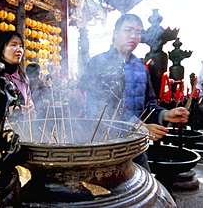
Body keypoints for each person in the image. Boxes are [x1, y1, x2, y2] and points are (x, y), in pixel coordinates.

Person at [78, 14, 189, 171]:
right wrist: (140, 127)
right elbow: (106, 107)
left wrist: (165, 114)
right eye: (128, 30)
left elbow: (149, 104)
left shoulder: (140, 67)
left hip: (134, 142)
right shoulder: (100, 62)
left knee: (144, 184)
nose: (133, 36)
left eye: (138, 32)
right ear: (115, 33)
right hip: (103, 140)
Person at [0, 31, 36, 123]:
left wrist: (30, 108)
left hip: (22, 131)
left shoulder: (23, 78)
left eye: (21, 46)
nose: (19, 49)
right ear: (1, 49)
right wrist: (10, 110)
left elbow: (29, 101)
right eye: (13, 45)